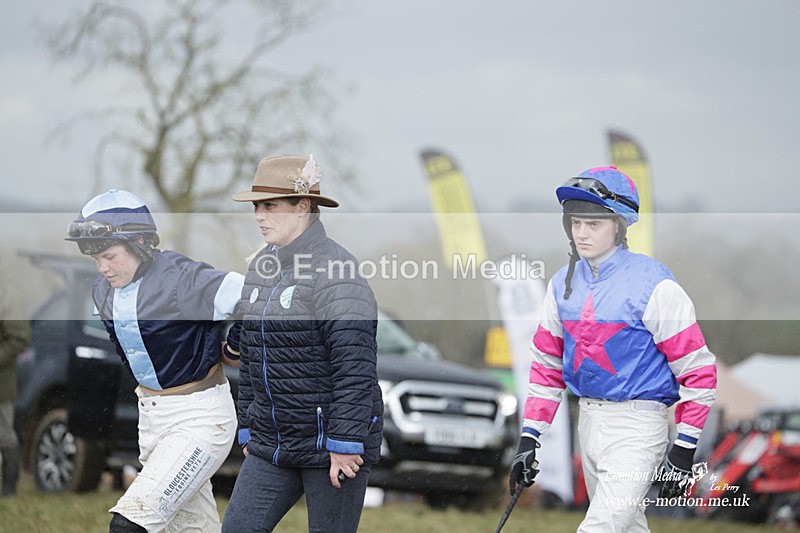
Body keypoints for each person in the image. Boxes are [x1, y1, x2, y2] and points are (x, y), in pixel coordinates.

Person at [508, 167, 717, 532]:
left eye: (594, 223)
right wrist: (529, 438)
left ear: (619, 225)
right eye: (576, 222)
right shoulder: (562, 285)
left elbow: (698, 371)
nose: (582, 233)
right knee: (628, 527)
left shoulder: (656, 285)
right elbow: (546, 367)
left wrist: (684, 446)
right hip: (588, 421)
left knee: (600, 527)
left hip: (638, 427)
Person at [66, 189, 244, 533]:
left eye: (109, 255)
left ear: (141, 242)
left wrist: (234, 347)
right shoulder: (103, 291)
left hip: (201, 420)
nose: (102, 268)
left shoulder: (183, 279)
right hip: (151, 422)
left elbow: (257, 296)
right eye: (95, 259)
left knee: (127, 524)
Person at [221, 155, 382, 533]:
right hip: (271, 444)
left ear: (303, 206)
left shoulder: (338, 272)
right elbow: (252, 357)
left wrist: (344, 441)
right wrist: (249, 427)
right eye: (257, 206)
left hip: (333, 446)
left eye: (270, 205)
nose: (259, 215)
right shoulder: (260, 267)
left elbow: (355, 367)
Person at [0, 308, 31, 497]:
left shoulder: (6, 297)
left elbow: (19, 338)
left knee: (5, 436)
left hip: (1, 384)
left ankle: (9, 490)